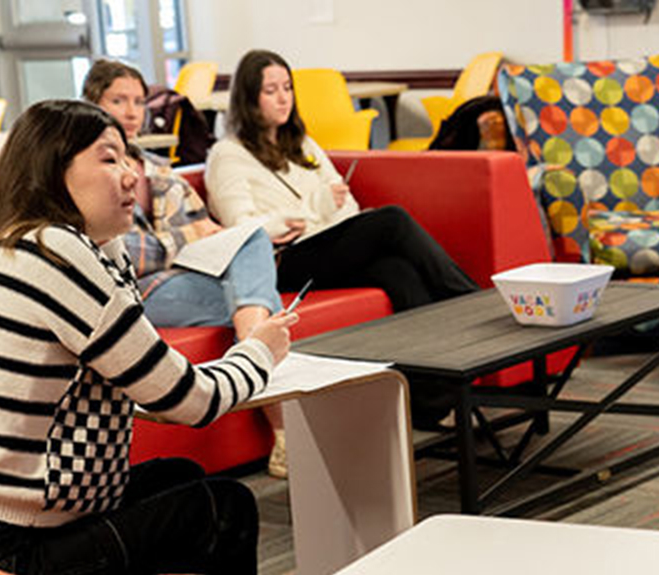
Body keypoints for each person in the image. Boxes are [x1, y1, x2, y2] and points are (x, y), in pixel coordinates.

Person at [0, 99, 298, 575]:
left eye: (129, 159)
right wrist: (257, 349)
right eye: (108, 158)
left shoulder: (15, 244)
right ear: (53, 171)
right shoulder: (54, 252)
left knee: (180, 477)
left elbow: (138, 373)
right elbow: (189, 401)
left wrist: (112, 241)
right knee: (222, 507)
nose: (130, 176)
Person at [205, 49, 480, 427]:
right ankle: (470, 302)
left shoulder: (302, 144)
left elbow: (347, 202)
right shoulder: (227, 155)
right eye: (271, 90)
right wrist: (313, 207)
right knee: (392, 220)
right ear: (249, 98)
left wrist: (321, 211)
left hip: (325, 246)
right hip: (282, 261)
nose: (284, 98)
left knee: (397, 272)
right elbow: (243, 229)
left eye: (287, 88)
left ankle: (432, 402)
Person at [82, 59, 290, 478]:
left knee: (251, 239)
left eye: (139, 101)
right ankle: (277, 411)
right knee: (258, 298)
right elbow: (119, 252)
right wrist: (175, 243)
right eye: (118, 100)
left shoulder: (157, 167)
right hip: (136, 295)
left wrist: (213, 238)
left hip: (179, 279)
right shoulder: (86, 173)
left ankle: (253, 347)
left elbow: (201, 229)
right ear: (93, 104)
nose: (131, 111)